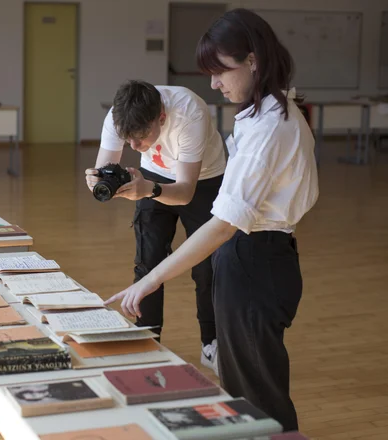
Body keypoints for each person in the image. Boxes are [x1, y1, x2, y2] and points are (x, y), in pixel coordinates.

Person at [104, 8, 319, 433]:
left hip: (256, 261)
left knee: (262, 397)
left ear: (253, 60)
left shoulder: (270, 128)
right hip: (252, 258)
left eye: (221, 71)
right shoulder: (265, 115)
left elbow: (222, 224)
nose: (215, 83)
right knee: (248, 391)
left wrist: (148, 282)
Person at [86, 80, 226, 374]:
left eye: (140, 138)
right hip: (152, 175)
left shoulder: (190, 113)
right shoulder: (118, 116)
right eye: (128, 141)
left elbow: (185, 191)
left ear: (161, 117)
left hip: (203, 180)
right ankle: (147, 342)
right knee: (148, 261)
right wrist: (97, 183)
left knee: (206, 266)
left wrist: (149, 190)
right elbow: (103, 171)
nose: (135, 147)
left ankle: (210, 344)